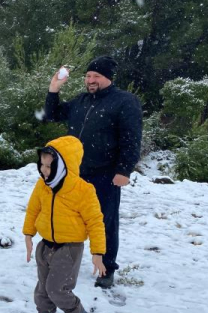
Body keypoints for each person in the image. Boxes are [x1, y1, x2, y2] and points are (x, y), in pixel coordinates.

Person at [44, 56, 142, 288]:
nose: (91, 80)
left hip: (105, 173)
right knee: (64, 217)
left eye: (96, 76)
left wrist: (124, 170)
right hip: (74, 173)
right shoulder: (81, 101)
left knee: (104, 221)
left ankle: (106, 269)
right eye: (88, 76)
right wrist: (53, 90)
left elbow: (131, 138)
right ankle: (60, 259)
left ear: (108, 78)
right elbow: (52, 114)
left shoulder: (124, 101)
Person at [23, 136, 107, 313]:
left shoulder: (83, 191)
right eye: (41, 165)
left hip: (69, 248)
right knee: (42, 291)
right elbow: (34, 209)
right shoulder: (43, 186)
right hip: (45, 245)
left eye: (49, 166)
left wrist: (98, 253)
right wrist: (28, 234)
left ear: (64, 166)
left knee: (57, 290)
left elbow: (95, 222)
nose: (43, 170)